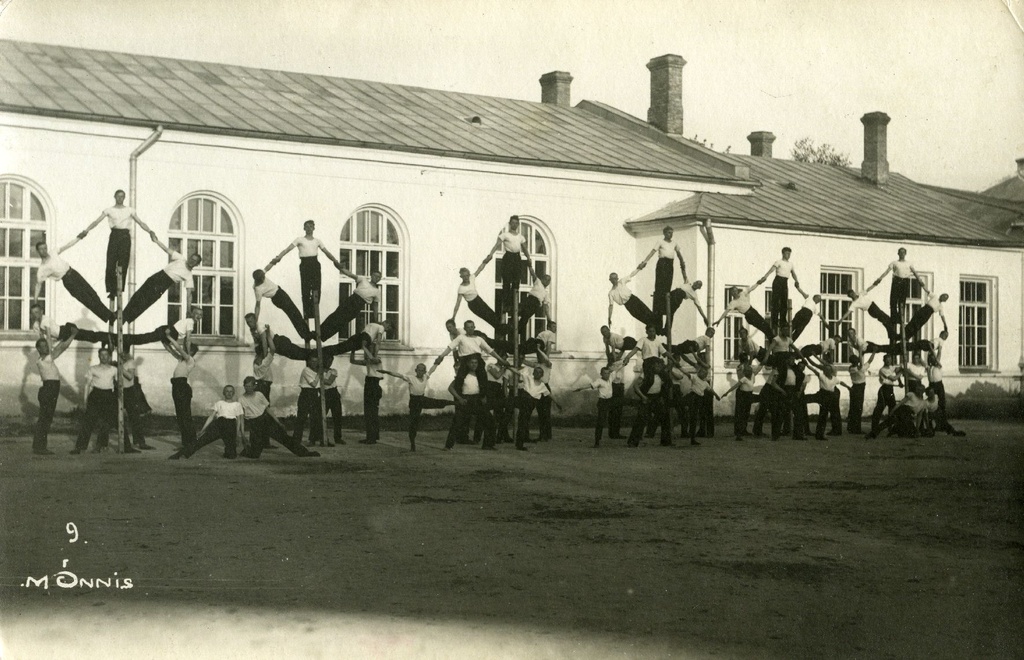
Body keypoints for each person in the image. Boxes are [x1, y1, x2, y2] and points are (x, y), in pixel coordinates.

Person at [73, 190, 157, 300]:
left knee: (123, 262)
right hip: (115, 235)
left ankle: (119, 289)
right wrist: (86, 230)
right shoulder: (109, 210)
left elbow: (141, 223)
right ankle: (111, 290)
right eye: (118, 196)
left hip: (125, 236)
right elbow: (96, 221)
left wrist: (150, 231)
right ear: (115, 197)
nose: (120, 198)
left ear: (124, 198)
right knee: (111, 262)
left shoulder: (130, 210)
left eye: (122, 197)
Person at [265, 220, 342, 319]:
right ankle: (307, 311)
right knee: (305, 289)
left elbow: (327, 252)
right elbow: (287, 249)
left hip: (315, 264)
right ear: (304, 228)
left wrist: (335, 261)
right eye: (307, 226)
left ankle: (315, 311)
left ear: (314, 228)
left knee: (316, 288)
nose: (309, 228)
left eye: (311, 226)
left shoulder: (317, 241)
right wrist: (278, 257)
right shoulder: (299, 239)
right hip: (305, 264)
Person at [122, 234, 202, 324]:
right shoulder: (181, 258)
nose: (192, 261)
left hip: (164, 284)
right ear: (189, 257)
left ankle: (126, 319)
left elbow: (189, 295)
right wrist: (156, 241)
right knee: (139, 295)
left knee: (145, 302)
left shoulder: (189, 276)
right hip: (158, 276)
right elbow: (167, 250)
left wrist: (188, 310)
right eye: (192, 258)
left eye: (195, 261)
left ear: (197, 264)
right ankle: (122, 314)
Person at [238, 377, 320, 459]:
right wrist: (241, 432)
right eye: (246, 386)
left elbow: (268, 409)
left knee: (285, 438)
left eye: (250, 386)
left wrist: (278, 422)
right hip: (254, 424)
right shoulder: (241, 399)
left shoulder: (259, 395)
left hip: (266, 419)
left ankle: (304, 452)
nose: (248, 388)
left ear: (254, 386)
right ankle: (247, 451)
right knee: (254, 454)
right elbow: (241, 415)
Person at [34, 242, 113, 323]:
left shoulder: (53, 253)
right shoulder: (42, 269)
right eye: (41, 249)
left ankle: (109, 314)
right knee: (87, 299)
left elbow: (67, 245)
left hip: (73, 273)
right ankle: (109, 316)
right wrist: (35, 301)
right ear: (37, 251)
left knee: (92, 293)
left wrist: (79, 238)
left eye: (45, 248)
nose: (44, 251)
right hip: (68, 281)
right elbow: (38, 285)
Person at [381, 362, 452, 451]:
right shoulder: (411, 378)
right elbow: (398, 375)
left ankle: (455, 403)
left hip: (422, 399)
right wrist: (387, 372)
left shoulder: (426, 376)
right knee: (414, 422)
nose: (420, 372)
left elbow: (432, 370)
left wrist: (437, 363)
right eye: (419, 370)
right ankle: (412, 444)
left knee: (437, 402)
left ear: (424, 371)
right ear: (416, 370)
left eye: (422, 370)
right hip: (414, 401)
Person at [32, 328, 77, 455]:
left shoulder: (43, 359)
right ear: (39, 350)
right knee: (46, 418)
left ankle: (38, 446)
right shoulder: (45, 359)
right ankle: (40, 447)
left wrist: (58, 338)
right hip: (49, 389)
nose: (46, 348)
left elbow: (57, 346)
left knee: (44, 418)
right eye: (43, 346)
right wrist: (72, 335)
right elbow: (61, 348)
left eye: (46, 345)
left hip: (49, 388)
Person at [72, 347, 125, 454]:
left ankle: (99, 446)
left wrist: (120, 400)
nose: (104, 357)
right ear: (98, 356)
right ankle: (80, 447)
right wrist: (85, 401)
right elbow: (87, 385)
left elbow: (120, 384)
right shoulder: (93, 369)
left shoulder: (114, 369)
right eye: (102, 355)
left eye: (106, 355)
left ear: (109, 356)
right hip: (95, 395)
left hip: (109, 396)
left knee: (106, 422)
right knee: (88, 421)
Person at [169, 386, 244, 459]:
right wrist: (203, 430)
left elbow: (239, 420)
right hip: (219, 424)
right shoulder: (219, 403)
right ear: (223, 393)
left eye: (231, 391)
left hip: (230, 426)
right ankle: (182, 454)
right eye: (227, 391)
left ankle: (228, 452)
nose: (229, 393)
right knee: (201, 441)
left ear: (233, 393)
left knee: (231, 456)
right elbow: (211, 417)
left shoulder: (237, 404)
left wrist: (237, 434)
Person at [434, 319, 510, 388]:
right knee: (459, 379)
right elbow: (450, 348)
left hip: (477, 359)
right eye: (468, 327)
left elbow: (490, 351)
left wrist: (502, 361)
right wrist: (441, 356)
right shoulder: (461, 337)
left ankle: (483, 398)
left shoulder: (479, 339)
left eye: (471, 327)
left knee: (483, 378)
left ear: (474, 327)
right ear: (465, 329)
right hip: (465, 360)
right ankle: (459, 399)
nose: (470, 329)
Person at [446, 355, 496, 450]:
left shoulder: (480, 375)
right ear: (468, 364)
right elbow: (451, 388)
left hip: (477, 400)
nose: (474, 364)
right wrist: (459, 398)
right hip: (466, 400)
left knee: (490, 420)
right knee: (457, 422)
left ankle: (487, 445)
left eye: (476, 362)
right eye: (472, 362)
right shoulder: (462, 375)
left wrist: (483, 396)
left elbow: (483, 388)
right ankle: (448, 445)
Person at [573, 361, 626, 447]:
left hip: (610, 401)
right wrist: (580, 388)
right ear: (601, 374)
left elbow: (616, 369)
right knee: (601, 421)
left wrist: (623, 364)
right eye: (605, 373)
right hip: (603, 402)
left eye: (608, 373)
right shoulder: (599, 381)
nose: (607, 375)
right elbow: (590, 386)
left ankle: (614, 433)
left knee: (616, 414)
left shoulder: (611, 377)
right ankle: (597, 441)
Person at [639, 226, 688, 320]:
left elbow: (679, 254)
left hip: (670, 264)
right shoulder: (660, 242)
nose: (671, 234)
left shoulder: (674, 243)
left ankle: (666, 300)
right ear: (664, 233)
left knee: (668, 284)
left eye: (672, 232)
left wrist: (682, 262)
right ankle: (659, 307)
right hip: (662, 263)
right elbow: (652, 252)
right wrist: (644, 262)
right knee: (660, 284)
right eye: (669, 232)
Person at [320, 269, 382, 341]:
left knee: (342, 322)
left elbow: (375, 306)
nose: (376, 278)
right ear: (371, 275)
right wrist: (341, 269)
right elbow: (350, 274)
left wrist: (376, 319)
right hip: (351, 300)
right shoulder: (363, 280)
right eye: (375, 276)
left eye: (379, 277)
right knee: (335, 315)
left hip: (358, 305)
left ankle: (324, 336)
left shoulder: (377, 291)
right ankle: (319, 331)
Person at [869, 247, 927, 324]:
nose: (902, 254)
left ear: (905, 254)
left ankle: (901, 317)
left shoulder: (909, 263)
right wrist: (879, 279)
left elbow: (914, 272)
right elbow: (887, 272)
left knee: (902, 300)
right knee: (893, 300)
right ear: (898, 253)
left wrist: (920, 281)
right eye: (900, 252)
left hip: (905, 281)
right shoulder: (894, 263)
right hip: (897, 281)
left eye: (903, 253)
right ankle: (894, 317)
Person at [488, 215, 530, 317]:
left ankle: (514, 304)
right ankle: (506, 304)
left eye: (516, 223)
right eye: (513, 223)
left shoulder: (521, 237)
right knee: (507, 281)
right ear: (509, 223)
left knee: (516, 281)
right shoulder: (505, 235)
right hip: (508, 257)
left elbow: (524, 249)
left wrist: (529, 258)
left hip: (517, 258)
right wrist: (490, 254)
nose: (514, 224)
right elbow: (497, 245)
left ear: (518, 225)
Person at [252, 269, 312, 340]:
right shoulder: (258, 289)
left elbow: (269, 266)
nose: (264, 277)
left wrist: (277, 258)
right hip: (278, 298)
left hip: (280, 293)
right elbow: (257, 306)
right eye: (263, 277)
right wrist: (255, 320)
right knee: (294, 313)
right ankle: (306, 335)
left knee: (295, 312)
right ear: (260, 279)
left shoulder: (260, 275)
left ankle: (306, 333)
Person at [163, 332, 199, 450]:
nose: (183, 350)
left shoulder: (190, 360)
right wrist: (163, 340)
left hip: (182, 387)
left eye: (186, 349)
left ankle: (191, 442)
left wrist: (169, 337)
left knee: (185, 416)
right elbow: (170, 350)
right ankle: (186, 443)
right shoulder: (181, 360)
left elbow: (178, 348)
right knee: (180, 416)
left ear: (191, 352)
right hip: (176, 387)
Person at [757, 248, 807, 330]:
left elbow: (793, 273)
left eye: (790, 254)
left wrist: (796, 281)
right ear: (783, 253)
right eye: (787, 253)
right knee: (776, 301)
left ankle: (783, 321)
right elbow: (771, 270)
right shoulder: (779, 262)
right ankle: (774, 322)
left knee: (784, 302)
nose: (788, 255)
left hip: (785, 282)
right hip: (778, 281)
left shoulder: (790, 264)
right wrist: (764, 277)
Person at [118, 352, 154, 451]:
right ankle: (104, 444)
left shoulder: (131, 362)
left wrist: (119, 368)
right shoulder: (119, 362)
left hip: (128, 391)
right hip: (119, 390)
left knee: (134, 417)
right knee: (114, 417)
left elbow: (130, 376)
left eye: (125, 352)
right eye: (121, 352)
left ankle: (140, 442)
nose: (123, 355)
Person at [803, 360, 845, 440]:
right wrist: (807, 364)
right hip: (823, 394)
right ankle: (819, 434)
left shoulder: (834, 378)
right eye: (825, 370)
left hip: (829, 397)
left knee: (823, 415)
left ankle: (819, 434)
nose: (827, 371)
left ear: (830, 371)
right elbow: (814, 370)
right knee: (822, 414)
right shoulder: (822, 376)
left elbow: (841, 382)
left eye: (828, 370)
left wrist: (848, 387)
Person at [453, 258, 500, 329]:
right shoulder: (461, 288)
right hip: (473, 305)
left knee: (492, 314)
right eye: (464, 276)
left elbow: (480, 269)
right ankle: (501, 329)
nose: (466, 277)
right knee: (487, 318)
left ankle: (503, 327)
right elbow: (457, 304)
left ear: (469, 274)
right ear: (461, 277)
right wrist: (453, 317)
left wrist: (485, 261)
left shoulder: (471, 278)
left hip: (478, 300)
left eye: (467, 275)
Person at [513, 361, 548, 451]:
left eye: (540, 373)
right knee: (522, 420)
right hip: (523, 399)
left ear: (542, 375)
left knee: (523, 422)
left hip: (530, 404)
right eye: (536, 372)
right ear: (533, 373)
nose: (537, 374)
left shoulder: (542, 385)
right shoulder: (528, 378)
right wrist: (507, 367)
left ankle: (519, 443)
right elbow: (517, 372)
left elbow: (549, 394)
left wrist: (557, 403)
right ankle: (519, 443)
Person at [293, 357, 324, 447]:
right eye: (312, 361)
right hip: (306, 394)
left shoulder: (317, 371)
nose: (314, 363)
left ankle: (313, 440)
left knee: (315, 418)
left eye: (316, 361)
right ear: (309, 362)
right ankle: (296, 440)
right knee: (301, 418)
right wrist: (319, 373)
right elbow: (313, 384)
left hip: (314, 394)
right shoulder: (306, 370)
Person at [869, 355, 902, 436]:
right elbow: (893, 378)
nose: (888, 361)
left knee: (893, 409)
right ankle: (874, 428)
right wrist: (902, 372)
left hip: (891, 390)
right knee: (879, 409)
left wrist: (900, 381)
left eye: (890, 359)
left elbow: (897, 371)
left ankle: (891, 429)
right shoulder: (883, 370)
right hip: (884, 390)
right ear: (884, 360)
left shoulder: (891, 367)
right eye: (887, 360)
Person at [517, 264, 551, 338]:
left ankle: (519, 330)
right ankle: (511, 323)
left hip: (535, 304)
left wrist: (549, 319)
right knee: (518, 309)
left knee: (525, 317)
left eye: (549, 280)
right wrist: (529, 265)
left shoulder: (546, 293)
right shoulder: (538, 282)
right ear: (542, 279)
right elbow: (533, 273)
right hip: (530, 299)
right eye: (546, 279)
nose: (547, 281)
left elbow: (546, 306)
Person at [846, 354, 876, 434]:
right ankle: (857, 429)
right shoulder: (860, 368)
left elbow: (866, 361)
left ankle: (850, 427)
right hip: (859, 388)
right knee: (858, 409)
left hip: (854, 388)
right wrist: (873, 352)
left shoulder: (851, 368)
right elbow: (870, 361)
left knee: (853, 408)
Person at [321, 355, 344, 446]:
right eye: (327, 361)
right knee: (321, 416)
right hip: (324, 393)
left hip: (333, 393)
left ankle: (338, 438)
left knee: (337, 416)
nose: (329, 363)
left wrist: (319, 378)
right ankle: (320, 437)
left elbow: (329, 382)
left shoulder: (333, 371)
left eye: (331, 361)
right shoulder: (318, 371)